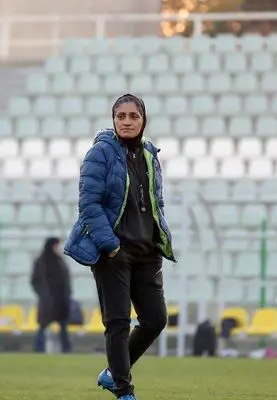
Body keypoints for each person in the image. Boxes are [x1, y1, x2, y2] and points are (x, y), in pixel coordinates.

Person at [63, 93, 176, 400]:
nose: (127, 121)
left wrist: (158, 240)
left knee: (156, 319)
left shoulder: (150, 153)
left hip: (147, 253)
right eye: (120, 116)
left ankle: (113, 374)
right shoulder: (100, 153)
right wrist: (110, 246)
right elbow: (89, 204)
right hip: (113, 252)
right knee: (118, 323)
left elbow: (156, 201)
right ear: (113, 120)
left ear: (143, 120)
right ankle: (125, 391)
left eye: (133, 116)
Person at [31, 237, 73, 353]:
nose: (58, 248)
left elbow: (66, 279)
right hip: (48, 300)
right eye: (56, 246)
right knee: (43, 325)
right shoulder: (41, 262)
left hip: (61, 299)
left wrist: (68, 293)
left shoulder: (60, 260)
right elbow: (36, 281)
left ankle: (66, 349)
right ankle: (38, 348)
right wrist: (44, 295)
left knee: (63, 325)